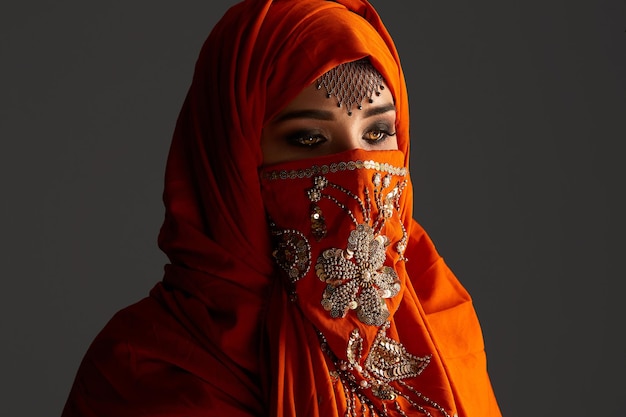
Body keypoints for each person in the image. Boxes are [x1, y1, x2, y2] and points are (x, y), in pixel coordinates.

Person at [61, 0, 502, 416]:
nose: (359, 172)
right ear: (232, 160)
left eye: (377, 133)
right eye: (309, 140)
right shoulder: (143, 371)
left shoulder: (441, 322)